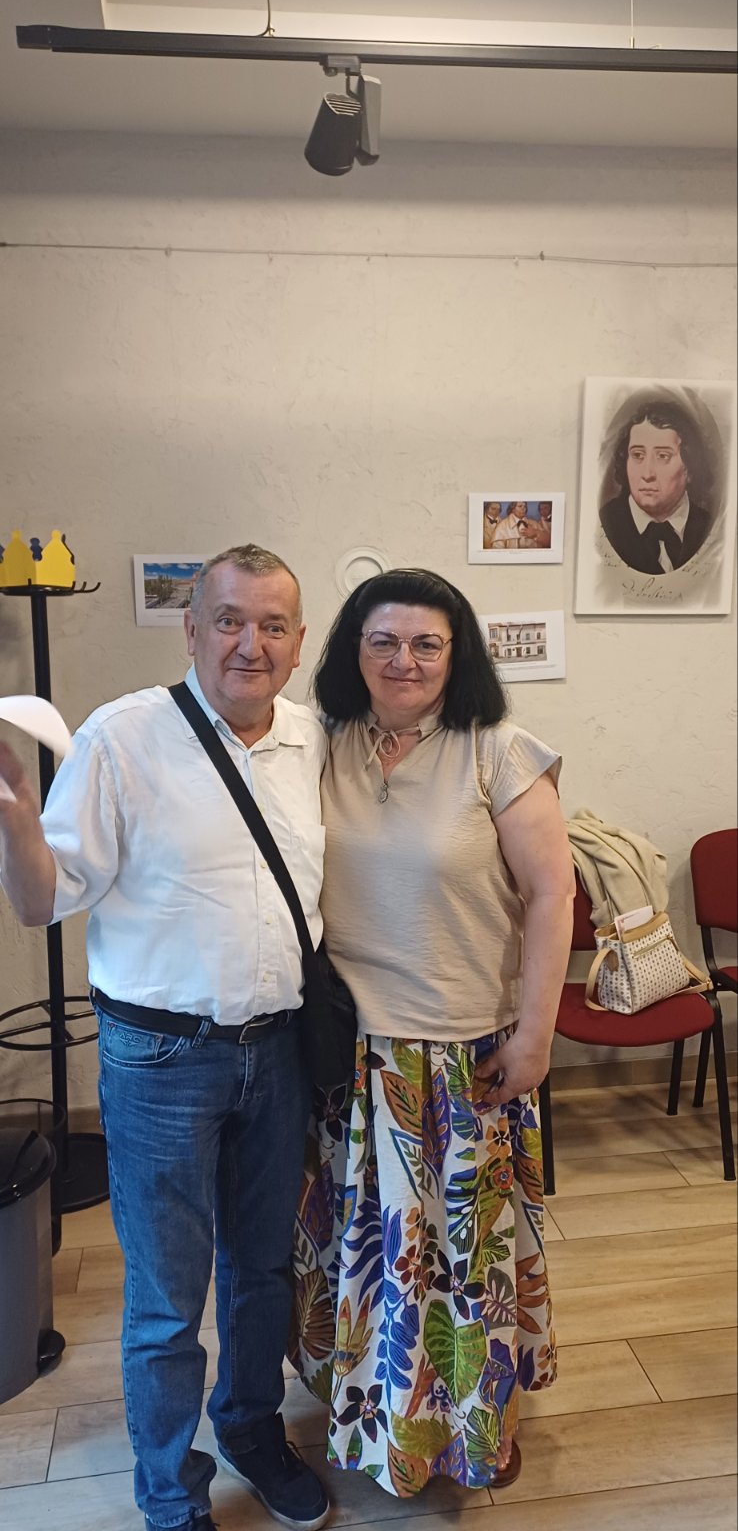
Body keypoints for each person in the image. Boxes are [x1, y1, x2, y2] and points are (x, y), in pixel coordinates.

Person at [0, 544, 330, 1531]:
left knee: (263, 1270)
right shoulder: (122, 736)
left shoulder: (312, 739)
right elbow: (42, 902)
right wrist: (17, 822)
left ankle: (252, 1428)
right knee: (164, 1297)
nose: (250, 643)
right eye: (228, 620)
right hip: (160, 1061)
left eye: (272, 624)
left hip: (279, 1049)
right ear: (191, 630)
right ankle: (167, 1489)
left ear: (299, 641)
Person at [291, 567, 574, 1499]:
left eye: (426, 643)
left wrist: (537, 1036)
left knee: (461, 1264)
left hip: (460, 1057)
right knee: (371, 1258)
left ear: (458, 655)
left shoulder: (497, 750)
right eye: (383, 641)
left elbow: (553, 895)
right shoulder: (322, 743)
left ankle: (475, 1429)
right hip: (347, 1053)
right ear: (354, 651)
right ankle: (377, 1418)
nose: (403, 659)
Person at [598, 399, 713, 573]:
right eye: (638, 455)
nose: (647, 474)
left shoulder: (711, 528)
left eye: (663, 456)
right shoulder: (605, 523)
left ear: (690, 468)